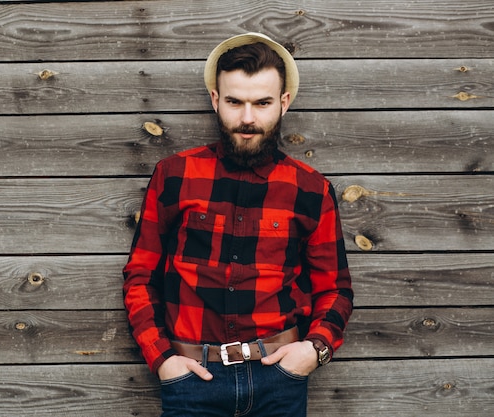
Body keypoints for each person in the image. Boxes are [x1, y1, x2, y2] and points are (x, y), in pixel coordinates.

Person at [123, 32, 353, 417]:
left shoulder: (311, 189)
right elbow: (140, 277)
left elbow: (335, 289)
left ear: (284, 103)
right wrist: (162, 359)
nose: (248, 119)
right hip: (192, 381)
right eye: (235, 102)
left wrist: (315, 350)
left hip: (280, 383)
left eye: (262, 103)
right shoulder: (174, 176)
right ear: (216, 100)